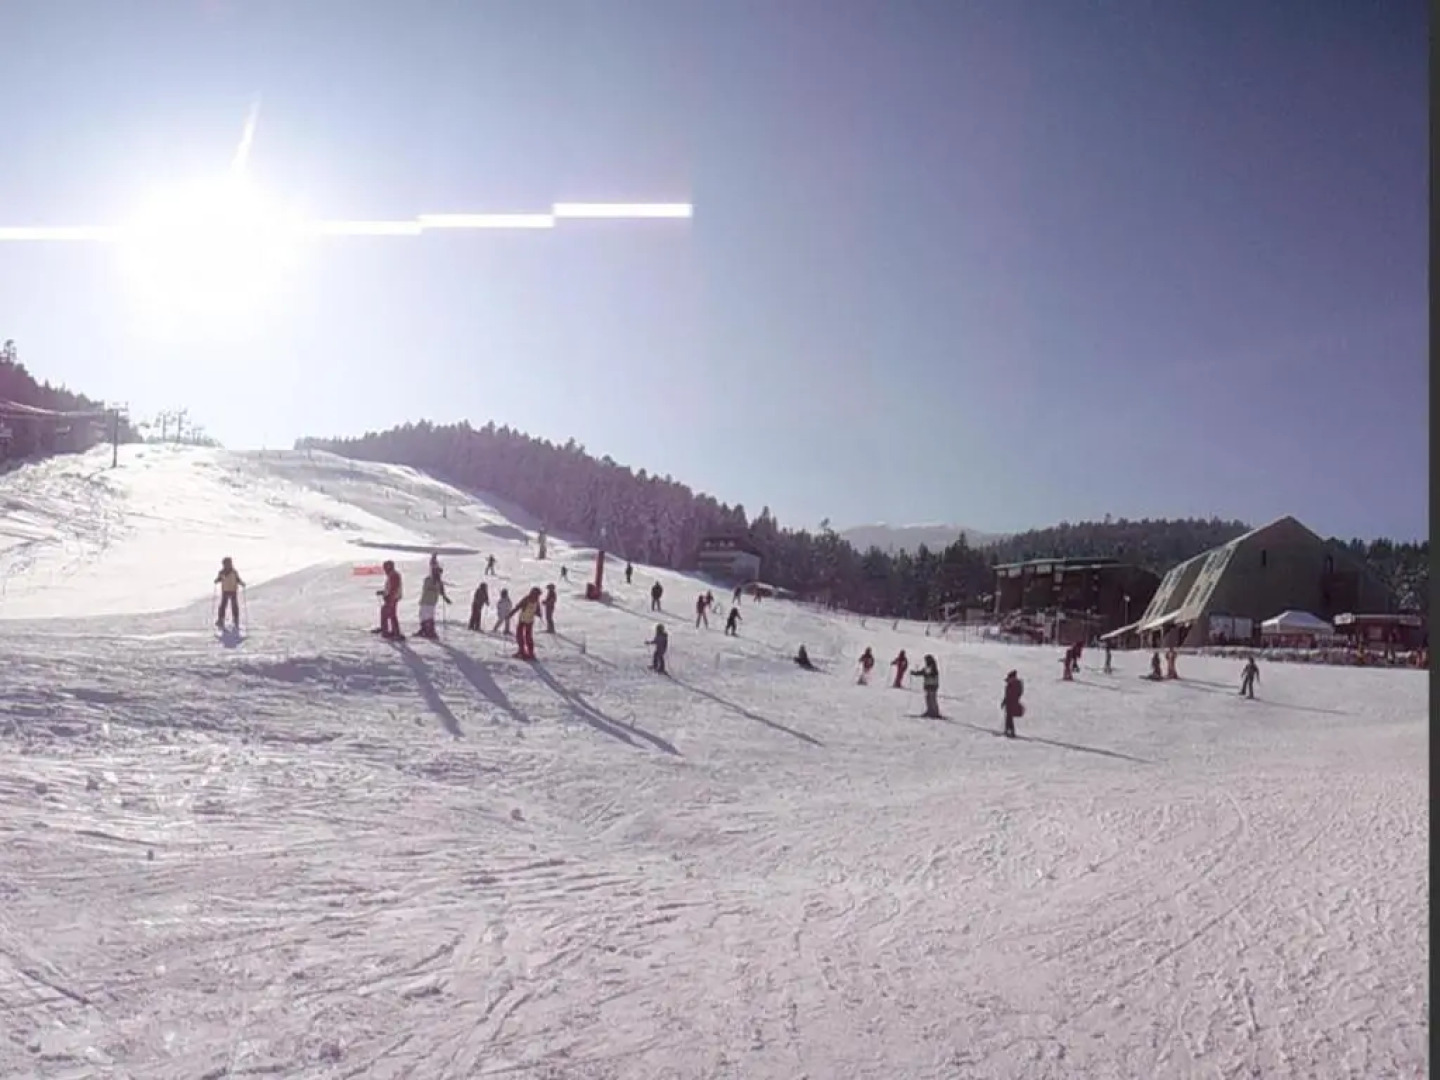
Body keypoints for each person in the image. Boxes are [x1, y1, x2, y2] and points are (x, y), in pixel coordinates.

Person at [416, 568, 451, 639]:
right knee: (422, 615)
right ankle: (424, 630)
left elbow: (441, 592)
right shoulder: (429, 580)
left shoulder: (438, 582)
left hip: (431, 601)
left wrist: (445, 598)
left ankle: (430, 631)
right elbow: (426, 588)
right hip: (425, 600)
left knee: (428, 616)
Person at [214, 557, 245, 631]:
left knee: (234, 606)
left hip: (233, 590)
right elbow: (219, 579)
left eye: (229, 563)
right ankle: (221, 620)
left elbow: (237, 579)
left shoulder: (234, 572)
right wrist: (217, 580)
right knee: (223, 606)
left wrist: (241, 583)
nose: (228, 565)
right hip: (225, 591)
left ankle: (235, 619)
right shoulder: (222, 572)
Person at [376, 560, 404, 640]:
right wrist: (383, 592)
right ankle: (394, 632)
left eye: (385, 567)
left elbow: (394, 588)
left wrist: (389, 596)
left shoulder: (393, 575)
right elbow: (390, 588)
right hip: (392, 597)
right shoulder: (392, 575)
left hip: (392, 598)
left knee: (385, 613)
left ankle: (387, 632)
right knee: (391, 614)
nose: (384, 570)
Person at [513, 587, 541, 660]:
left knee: (521, 636)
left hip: (524, 620)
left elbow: (518, 607)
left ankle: (523, 652)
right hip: (528, 621)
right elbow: (538, 611)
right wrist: (539, 614)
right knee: (527, 637)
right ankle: (528, 652)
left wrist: (510, 615)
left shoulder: (528, 599)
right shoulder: (535, 601)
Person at [1001, 669, 1024, 737]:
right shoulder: (1010, 684)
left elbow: (1018, 693)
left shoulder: (1016, 684)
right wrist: (1004, 702)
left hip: (1013, 703)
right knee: (1008, 717)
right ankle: (1008, 730)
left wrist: (1014, 699)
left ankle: (1011, 731)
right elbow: (1007, 695)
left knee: (1009, 717)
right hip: (1009, 703)